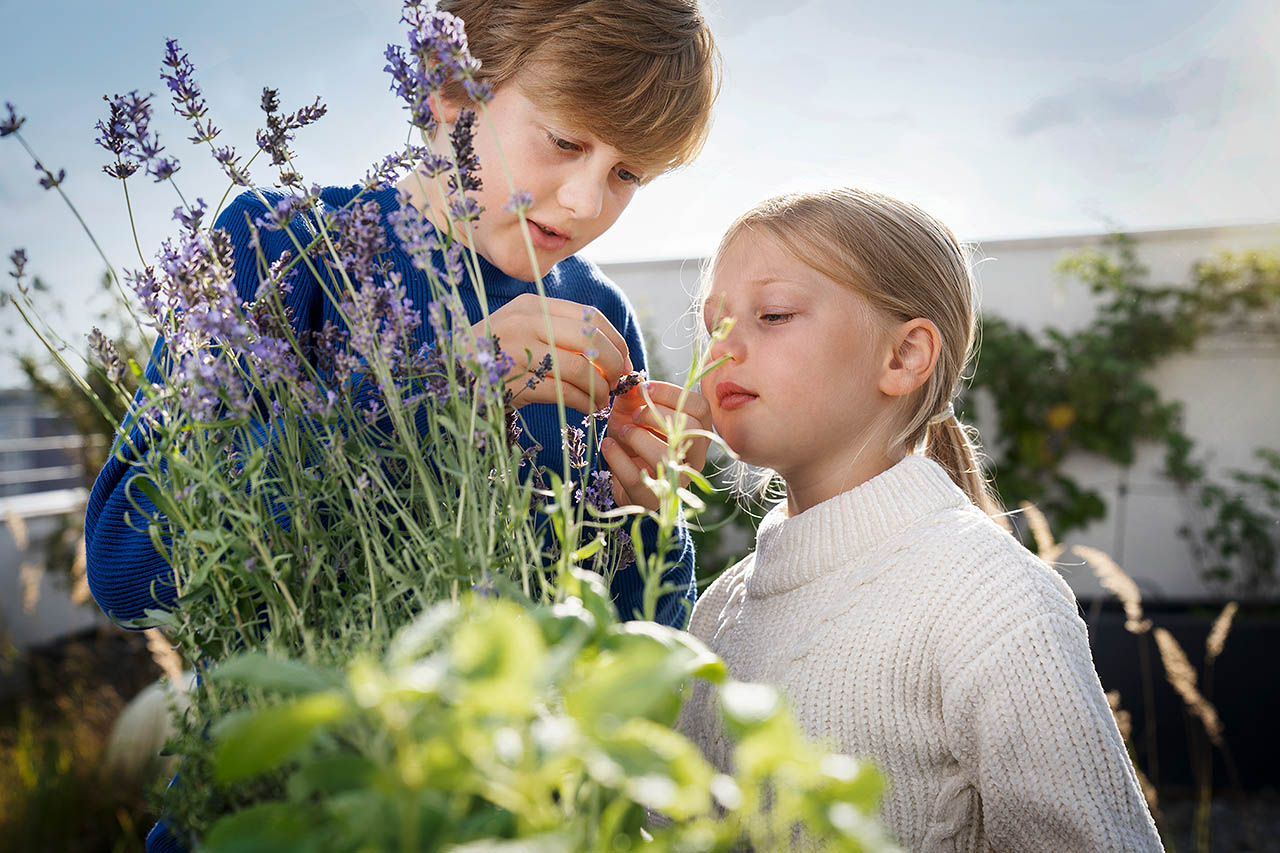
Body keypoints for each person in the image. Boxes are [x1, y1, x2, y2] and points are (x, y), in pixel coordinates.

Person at [83, 3, 718, 849]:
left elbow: (624, 659)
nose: (584, 199)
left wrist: (650, 514)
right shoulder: (282, 249)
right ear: (451, 94)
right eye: (565, 142)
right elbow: (130, 562)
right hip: (284, 815)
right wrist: (428, 394)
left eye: (629, 173)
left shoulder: (596, 313)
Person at [679, 188, 1164, 851]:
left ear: (904, 356)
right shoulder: (718, 607)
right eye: (715, 323)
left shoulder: (990, 598)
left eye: (774, 313)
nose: (721, 349)